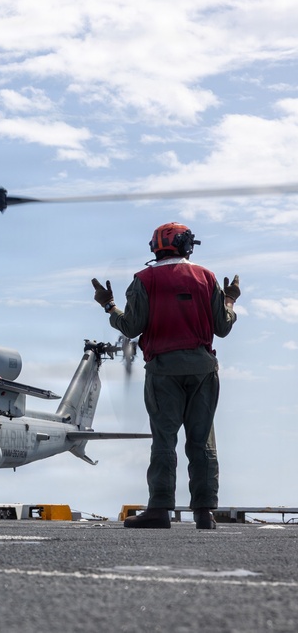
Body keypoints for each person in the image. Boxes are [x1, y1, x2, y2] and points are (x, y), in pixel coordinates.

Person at [91, 222, 240, 530]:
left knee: (164, 440)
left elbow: (131, 328)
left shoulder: (144, 279)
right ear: (187, 245)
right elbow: (222, 328)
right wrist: (230, 300)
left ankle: (159, 509)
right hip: (202, 370)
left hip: (163, 370)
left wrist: (109, 305)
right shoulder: (207, 277)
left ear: (155, 248)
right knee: (202, 441)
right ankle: (204, 513)